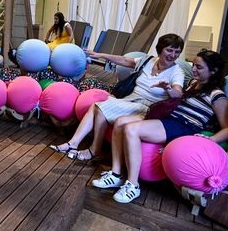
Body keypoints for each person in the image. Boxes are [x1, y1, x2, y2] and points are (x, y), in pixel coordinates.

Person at [93, 49, 228, 204]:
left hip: (183, 127)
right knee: (120, 122)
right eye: (193, 65)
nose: (193, 69)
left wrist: (211, 139)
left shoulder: (217, 95)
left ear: (213, 71)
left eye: (199, 67)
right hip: (169, 119)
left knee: (131, 129)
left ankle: (133, 185)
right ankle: (116, 174)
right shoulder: (194, 84)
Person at [49, 33, 185, 161]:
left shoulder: (177, 72)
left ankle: (93, 149)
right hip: (130, 99)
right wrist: (101, 55)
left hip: (148, 106)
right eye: (169, 50)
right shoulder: (148, 60)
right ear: (160, 49)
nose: (173, 55)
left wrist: (168, 89)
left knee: (99, 107)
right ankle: (74, 143)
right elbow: (125, 60)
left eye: (177, 52)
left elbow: (178, 93)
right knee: (95, 107)